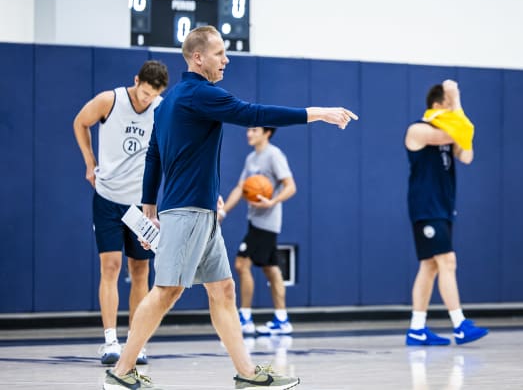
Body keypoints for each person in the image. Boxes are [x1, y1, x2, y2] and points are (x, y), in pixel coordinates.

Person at [103, 25, 357, 389]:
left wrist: (148, 207)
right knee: (167, 291)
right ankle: (121, 372)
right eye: (220, 53)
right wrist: (316, 113)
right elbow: (252, 113)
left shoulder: (170, 100)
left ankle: (247, 373)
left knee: (222, 290)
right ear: (198, 57)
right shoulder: (200, 94)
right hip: (188, 212)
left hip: (200, 212)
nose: (227, 58)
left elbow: (154, 156)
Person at [73, 60, 169, 365]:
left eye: (152, 96)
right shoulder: (109, 100)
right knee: (110, 266)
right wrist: (89, 161)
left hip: (141, 205)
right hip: (108, 199)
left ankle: (136, 343)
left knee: (140, 272)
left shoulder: (162, 109)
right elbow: (80, 122)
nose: (146, 100)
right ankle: (110, 340)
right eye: (143, 93)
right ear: (136, 80)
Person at [403, 79, 489, 346]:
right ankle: (459, 324)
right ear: (438, 105)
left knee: (429, 267)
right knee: (447, 261)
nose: (454, 111)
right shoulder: (418, 129)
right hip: (426, 206)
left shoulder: (452, 130)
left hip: (443, 205)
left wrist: (457, 110)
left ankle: (417, 329)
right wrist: (458, 103)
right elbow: (460, 131)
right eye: (449, 104)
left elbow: (467, 155)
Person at [220, 127, 296, 336]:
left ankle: (244, 318)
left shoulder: (274, 155)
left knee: (241, 263)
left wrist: (272, 201)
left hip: (267, 222)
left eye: (254, 130)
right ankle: (282, 319)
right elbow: (240, 188)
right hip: (255, 220)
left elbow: (291, 186)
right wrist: (223, 212)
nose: (248, 133)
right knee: (271, 268)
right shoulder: (252, 158)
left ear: (267, 133)